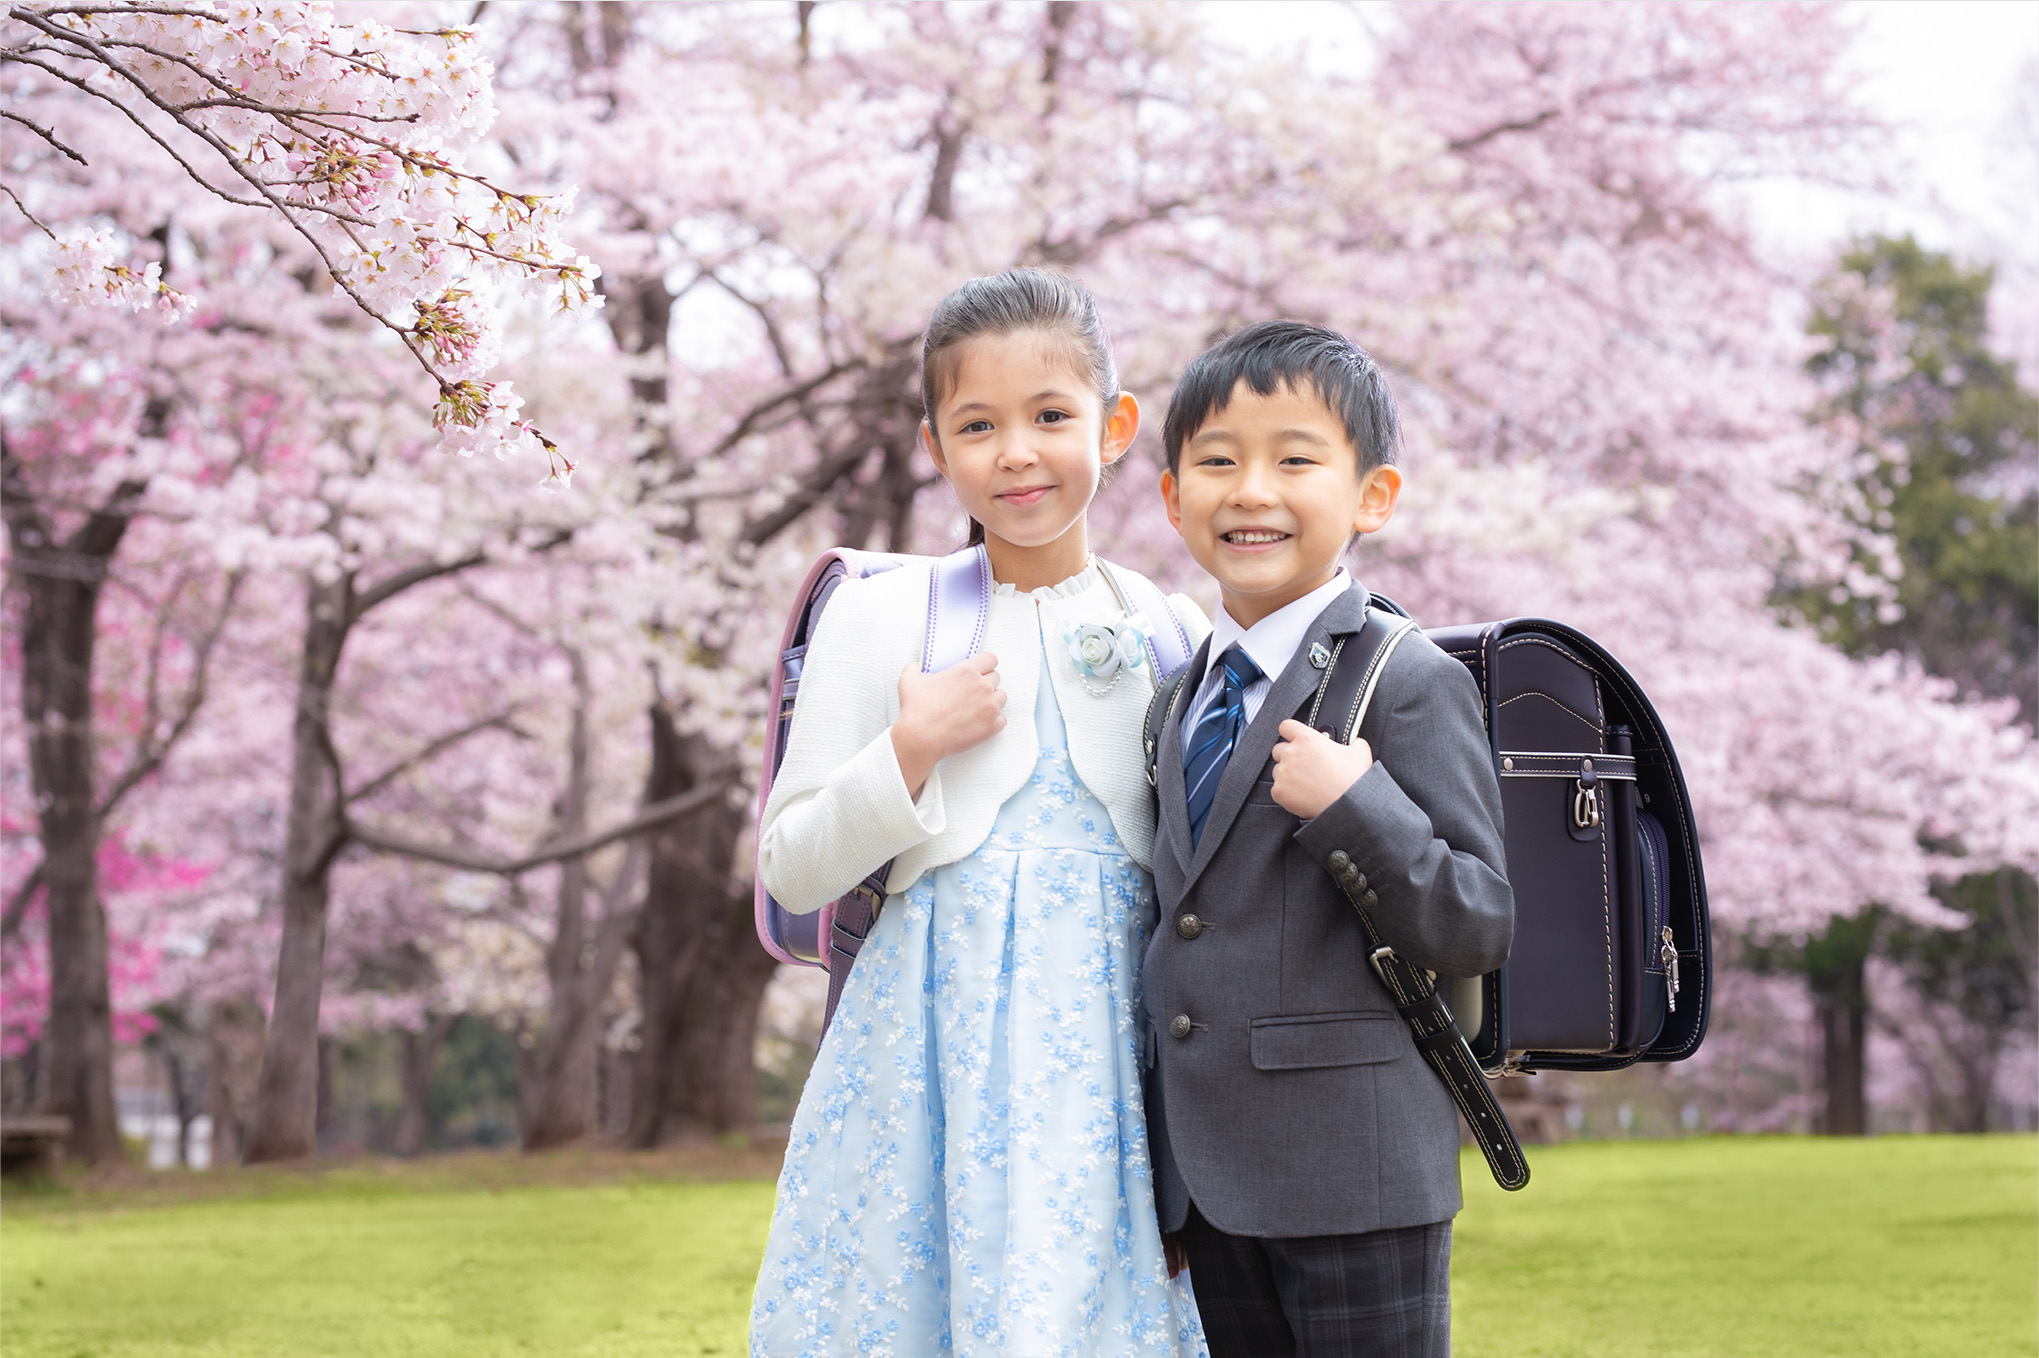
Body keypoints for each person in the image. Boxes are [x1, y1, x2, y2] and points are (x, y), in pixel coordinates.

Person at [749, 269, 1212, 1358]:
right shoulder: (879, 613)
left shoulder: (1165, 627)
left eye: (1051, 416)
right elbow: (790, 866)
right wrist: (908, 750)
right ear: (933, 446)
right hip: (925, 1051)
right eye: (977, 424)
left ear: (1114, 426)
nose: (1016, 452)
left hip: (1108, 1066)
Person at [1142, 321, 1514, 1358]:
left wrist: (1355, 802)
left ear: (1370, 497)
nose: (1250, 490)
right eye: (1216, 461)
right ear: (1173, 498)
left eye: (1294, 459)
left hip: (1355, 1169)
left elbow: (1477, 919)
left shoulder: (1405, 679)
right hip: (1207, 1182)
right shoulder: (1175, 699)